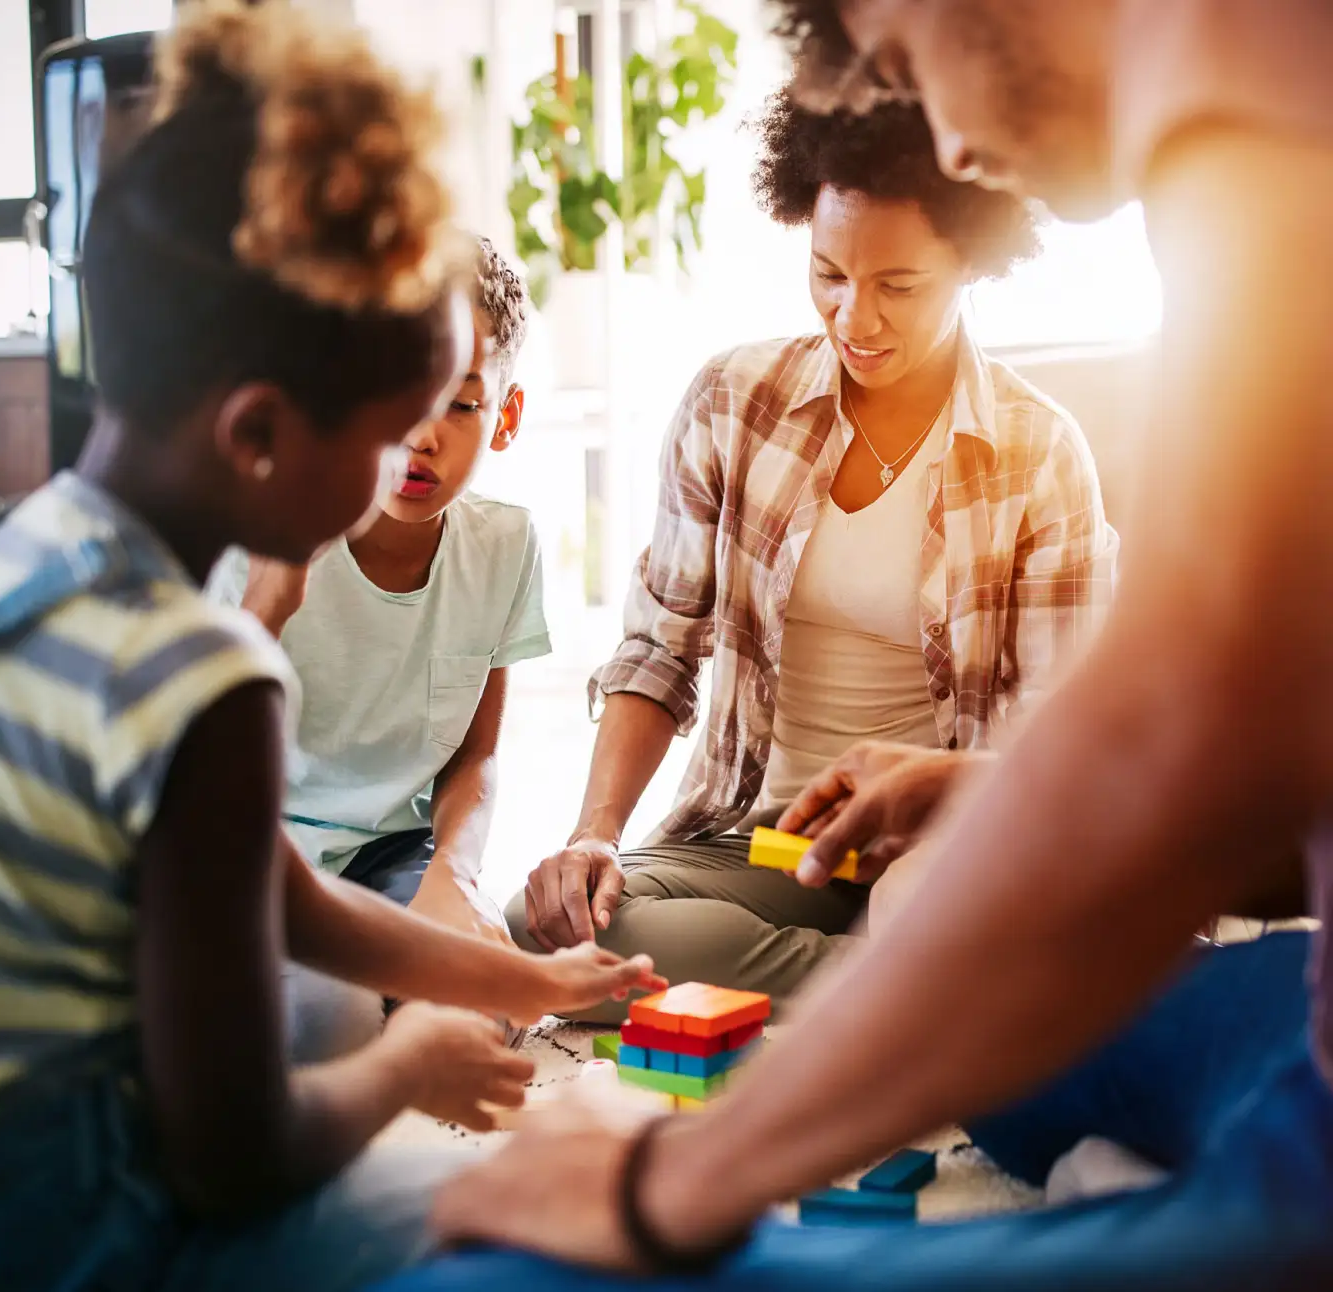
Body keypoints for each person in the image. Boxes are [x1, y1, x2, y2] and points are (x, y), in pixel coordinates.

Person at [400, 1, 1333, 1288]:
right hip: (1263, 984)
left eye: (899, 56)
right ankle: (957, 1006)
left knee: (486, 1277)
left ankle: (933, 988)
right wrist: (979, 792)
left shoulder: (1258, 102)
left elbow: (1162, 754)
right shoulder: (1252, 110)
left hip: (1302, 1118)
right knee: (1004, 1061)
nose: (941, 130)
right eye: (830, 276)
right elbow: (1260, 773)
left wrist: (672, 1179)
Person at [0, 7, 658, 1292]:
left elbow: (285, 896)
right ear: (258, 432)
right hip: (62, 1243)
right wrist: (408, 1065)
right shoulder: (210, 681)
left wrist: (525, 972)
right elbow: (236, 1161)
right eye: (384, 433)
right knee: (564, 1205)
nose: (401, 470)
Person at [513, 93, 1116, 1014]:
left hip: (941, 852)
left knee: (923, 905)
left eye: (898, 286)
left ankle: (885, 981)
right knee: (550, 926)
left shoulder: (1039, 453)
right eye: (828, 272)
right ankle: (896, 1001)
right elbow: (659, 651)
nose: (854, 317)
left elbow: (1060, 742)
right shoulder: (733, 401)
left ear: (972, 262)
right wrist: (593, 834)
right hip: (750, 842)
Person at [210, 237, 543, 948]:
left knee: (480, 1003)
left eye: (460, 404)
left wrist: (454, 873)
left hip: (393, 855)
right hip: (256, 849)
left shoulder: (505, 545)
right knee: (326, 1019)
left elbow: (475, 755)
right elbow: (198, 749)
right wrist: (270, 599)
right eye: (402, 396)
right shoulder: (268, 529)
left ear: (505, 418)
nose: (423, 436)